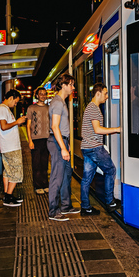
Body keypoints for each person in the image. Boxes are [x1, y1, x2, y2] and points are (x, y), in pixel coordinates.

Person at [80, 83, 121, 215]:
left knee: (86, 179)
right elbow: (97, 130)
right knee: (110, 170)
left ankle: (85, 207)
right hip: (94, 148)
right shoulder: (93, 108)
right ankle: (110, 202)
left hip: (87, 148)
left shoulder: (90, 107)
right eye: (105, 93)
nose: (107, 96)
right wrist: (117, 129)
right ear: (98, 94)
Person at [47, 74, 79, 221]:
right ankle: (53, 211)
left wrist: (67, 144)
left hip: (62, 141)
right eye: (71, 84)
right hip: (56, 142)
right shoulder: (58, 103)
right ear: (64, 85)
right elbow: (54, 126)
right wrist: (63, 147)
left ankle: (66, 206)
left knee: (66, 174)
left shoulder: (62, 102)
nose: (73, 87)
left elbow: (62, 126)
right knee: (57, 176)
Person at [0, 89, 26, 207]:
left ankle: (8, 195)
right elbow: (3, 126)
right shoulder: (2, 109)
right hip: (11, 146)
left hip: (7, 146)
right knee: (16, 171)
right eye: (16, 102)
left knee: (8, 171)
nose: (15, 104)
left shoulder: (2, 109)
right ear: (11, 98)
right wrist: (17, 122)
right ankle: (8, 197)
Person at [26, 87, 50, 195]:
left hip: (47, 139)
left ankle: (45, 184)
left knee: (44, 163)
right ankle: (37, 186)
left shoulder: (49, 108)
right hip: (35, 139)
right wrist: (30, 140)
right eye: (41, 94)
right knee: (36, 164)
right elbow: (28, 125)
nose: (43, 96)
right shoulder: (31, 108)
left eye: (45, 94)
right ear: (37, 95)